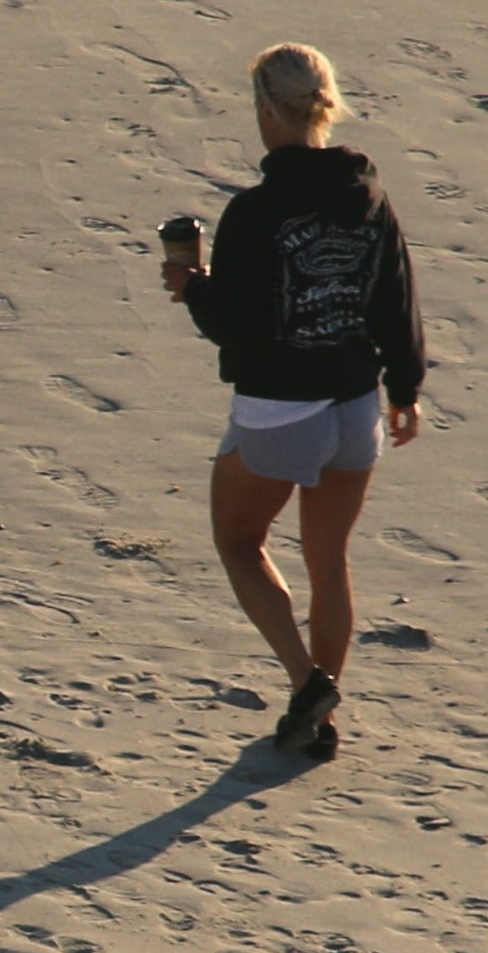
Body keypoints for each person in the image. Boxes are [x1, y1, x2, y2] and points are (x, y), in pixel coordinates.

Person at [160, 43, 426, 758]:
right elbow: (396, 294)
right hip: (354, 405)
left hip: (283, 406)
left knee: (240, 541)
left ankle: (307, 682)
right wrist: (406, 388)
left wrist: (191, 285)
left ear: (269, 110)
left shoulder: (256, 211)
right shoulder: (368, 192)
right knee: (328, 559)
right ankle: (320, 716)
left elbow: (233, 321)